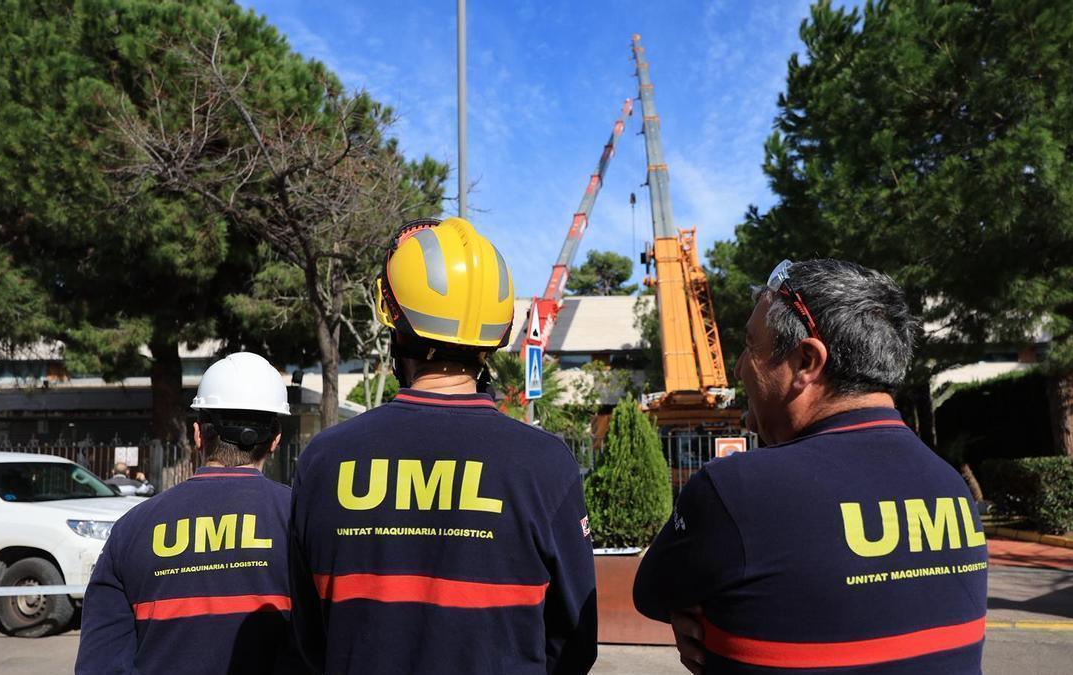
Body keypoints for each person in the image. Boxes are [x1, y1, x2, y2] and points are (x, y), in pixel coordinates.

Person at [633, 259, 988, 674]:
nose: (739, 368)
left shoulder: (737, 489)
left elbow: (652, 593)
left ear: (806, 362)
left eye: (751, 346)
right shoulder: (950, 485)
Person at [288, 216, 597, 674]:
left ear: (395, 325)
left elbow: (310, 637)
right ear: (495, 335)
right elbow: (574, 642)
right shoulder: (545, 464)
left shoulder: (324, 460)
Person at [77, 352, 304, 674]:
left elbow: (100, 663)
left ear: (198, 433)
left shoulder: (132, 529)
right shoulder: (302, 520)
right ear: (276, 438)